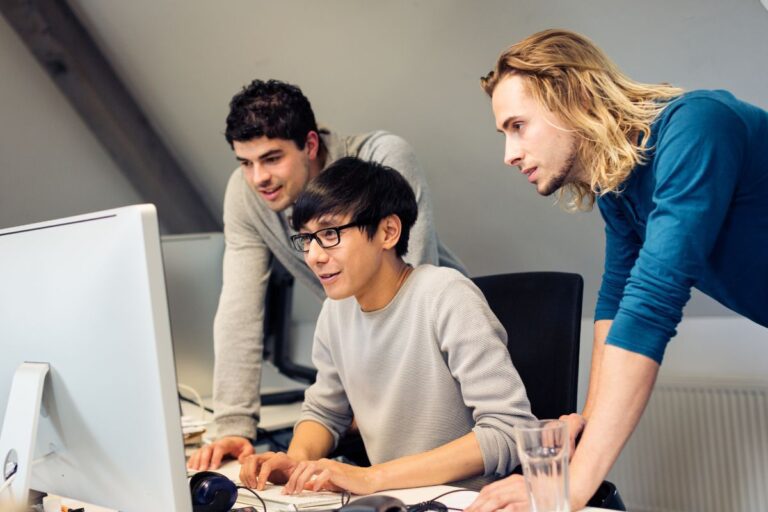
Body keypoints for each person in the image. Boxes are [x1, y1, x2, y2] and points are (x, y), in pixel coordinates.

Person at [469, 29, 768, 511]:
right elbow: (616, 300)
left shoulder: (697, 128)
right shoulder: (621, 191)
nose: (509, 154)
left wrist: (568, 488)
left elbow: (652, 305)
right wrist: (583, 424)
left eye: (518, 126)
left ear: (576, 98)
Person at [187, 80, 464, 471]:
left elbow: (408, 299)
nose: (258, 178)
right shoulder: (248, 194)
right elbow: (239, 307)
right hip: (360, 359)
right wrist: (234, 424)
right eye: (245, 163)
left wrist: (363, 407)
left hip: (438, 351)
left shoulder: (381, 159)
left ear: (311, 146)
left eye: (272, 158)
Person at [236, 156, 535, 494]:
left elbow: (508, 430)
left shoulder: (446, 295)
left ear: (388, 232)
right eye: (306, 239)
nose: (314, 256)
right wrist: (297, 460)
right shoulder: (336, 312)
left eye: (330, 234)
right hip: (392, 500)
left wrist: (372, 477)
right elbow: (324, 412)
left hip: (465, 501)